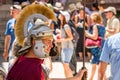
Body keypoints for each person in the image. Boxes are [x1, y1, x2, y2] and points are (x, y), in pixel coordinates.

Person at [6, 4, 87, 80]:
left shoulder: (25, 60)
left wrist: (76, 78)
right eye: (48, 41)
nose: (51, 46)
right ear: (34, 41)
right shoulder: (32, 68)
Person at [85, 12, 105, 80]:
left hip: (96, 46)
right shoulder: (102, 26)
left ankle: (91, 78)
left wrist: (87, 34)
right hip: (101, 45)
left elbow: (95, 37)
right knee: (99, 62)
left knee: (94, 62)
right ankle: (104, 78)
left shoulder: (95, 26)